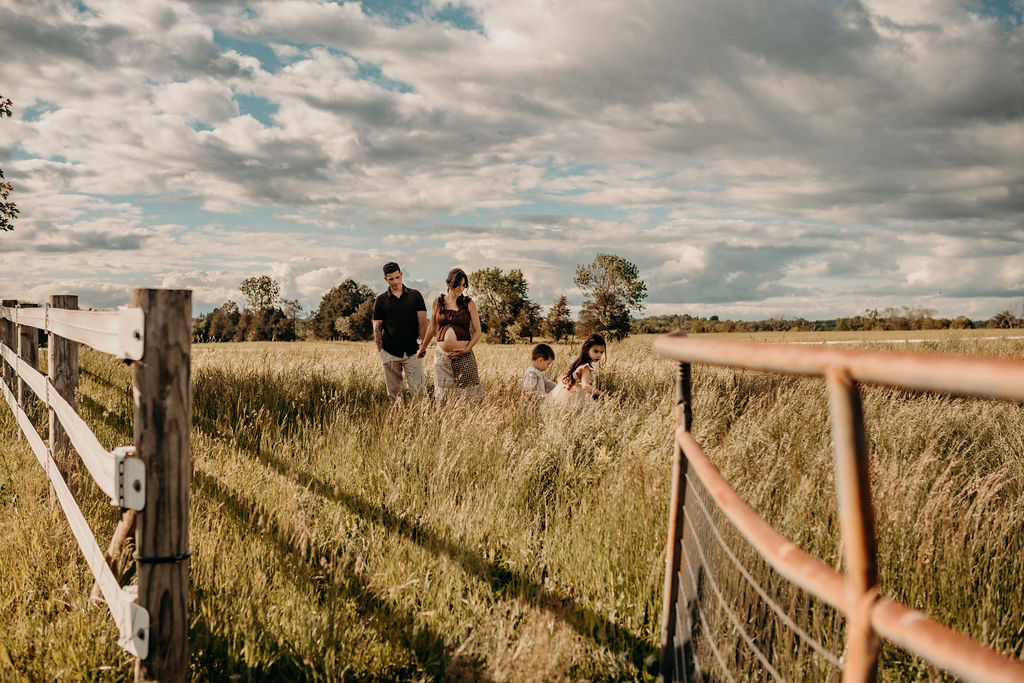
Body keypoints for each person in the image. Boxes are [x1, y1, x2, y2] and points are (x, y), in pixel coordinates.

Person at [417, 267, 483, 401]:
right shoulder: (438, 302)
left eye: (464, 285)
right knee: (442, 394)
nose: (461, 288)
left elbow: (477, 331)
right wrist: (423, 348)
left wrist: (467, 349)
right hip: (442, 356)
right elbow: (432, 327)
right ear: (449, 283)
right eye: (458, 285)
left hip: (464, 355)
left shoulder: (469, 304)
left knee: (469, 394)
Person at [372, 262, 427, 403]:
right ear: (386, 279)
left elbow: (423, 324)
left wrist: (423, 346)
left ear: (401, 275)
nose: (395, 281)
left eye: (397, 277)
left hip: (413, 352)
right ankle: (398, 422)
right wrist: (381, 352)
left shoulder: (415, 296)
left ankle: (420, 422)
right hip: (390, 353)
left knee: (419, 392)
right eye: (391, 279)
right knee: (394, 395)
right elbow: (377, 328)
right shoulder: (380, 301)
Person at [548, 334, 607, 405]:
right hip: (577, 397)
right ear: (587, 349)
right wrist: (603, 395)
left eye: (601, 352)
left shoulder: (580, 362)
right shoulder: (586, 367)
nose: (599, 355)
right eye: (596, 351)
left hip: (570, 394)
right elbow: (585, 385)